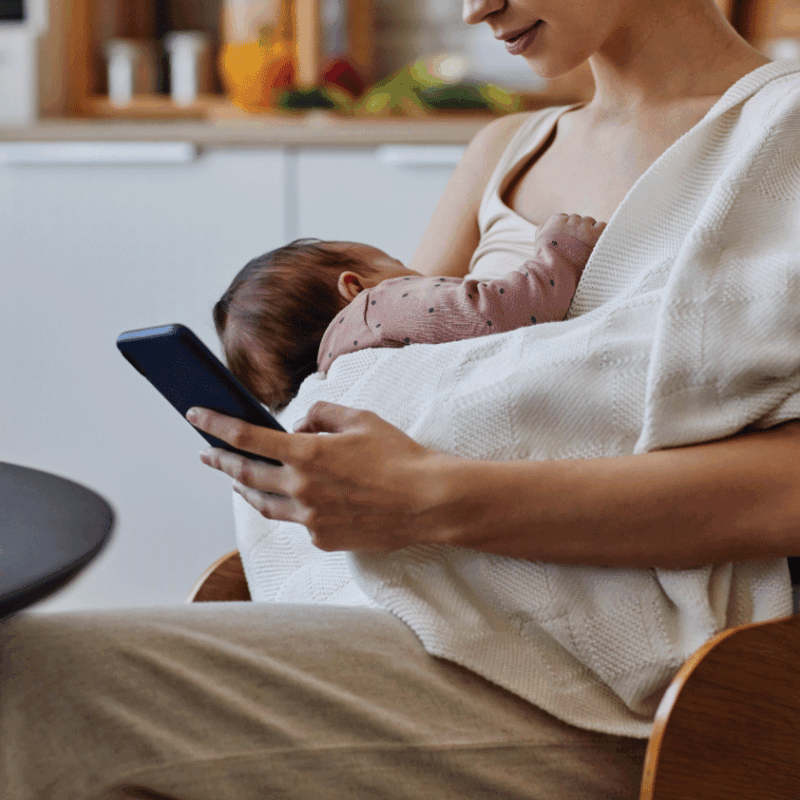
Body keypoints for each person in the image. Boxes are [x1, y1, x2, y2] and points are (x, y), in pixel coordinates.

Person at [4, 1, 800, 798]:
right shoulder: (505, 152)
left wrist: (428, 496)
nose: (472, 9)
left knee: (37, 693)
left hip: (631, 693)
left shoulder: (780, 139)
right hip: (424, 615)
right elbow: (398, 387)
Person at [214, 213, 604, 410]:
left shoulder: (339, 372)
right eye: (393, 262)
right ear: (354, 286)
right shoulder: (376, 309)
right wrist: (562, 250)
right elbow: (496, 313)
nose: (421, 277)